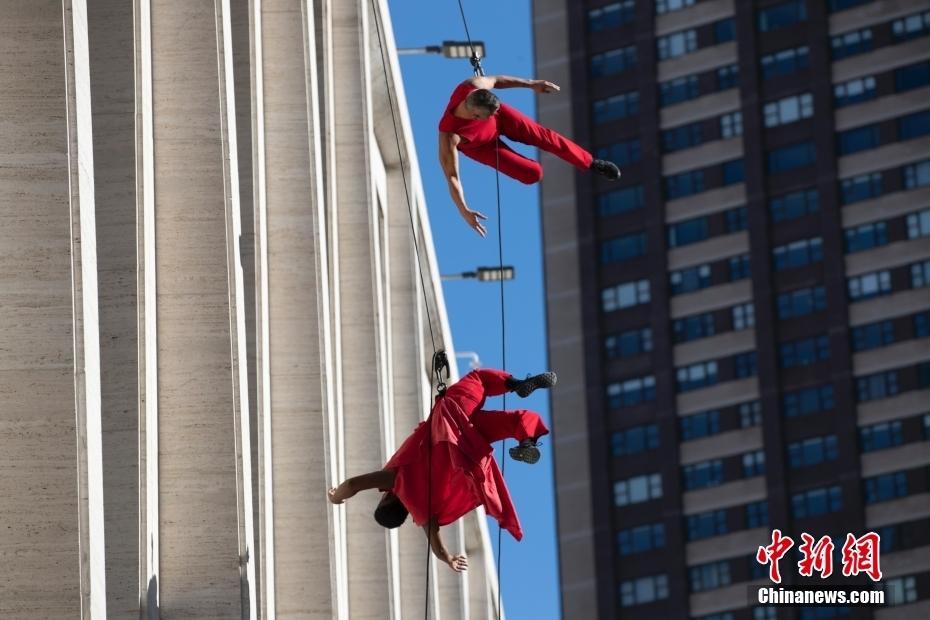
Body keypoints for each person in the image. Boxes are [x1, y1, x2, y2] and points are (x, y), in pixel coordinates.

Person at [327, 368, 556, 572]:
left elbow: (435, 545)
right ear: (387, 501)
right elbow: (352, 485)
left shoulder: (423, 511)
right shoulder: (395, 479)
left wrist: (449, 559)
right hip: (451, 418)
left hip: (470, 444)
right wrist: (336, 497)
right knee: (479, 378)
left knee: (515, 420)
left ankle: (528, 443)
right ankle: (516, 384)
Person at [438, 74, 622, 236]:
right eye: (488, 115)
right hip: (481, 146)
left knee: (545, 137)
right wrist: (464, 209)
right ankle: (530, 164)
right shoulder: (449, 135)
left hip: (504, 120)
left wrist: (531, 84)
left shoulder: (473, 85)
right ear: (475, 116)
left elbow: (496, 80)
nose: (492, 115)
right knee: (533, 174)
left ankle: (591, 163)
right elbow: (452, 176)